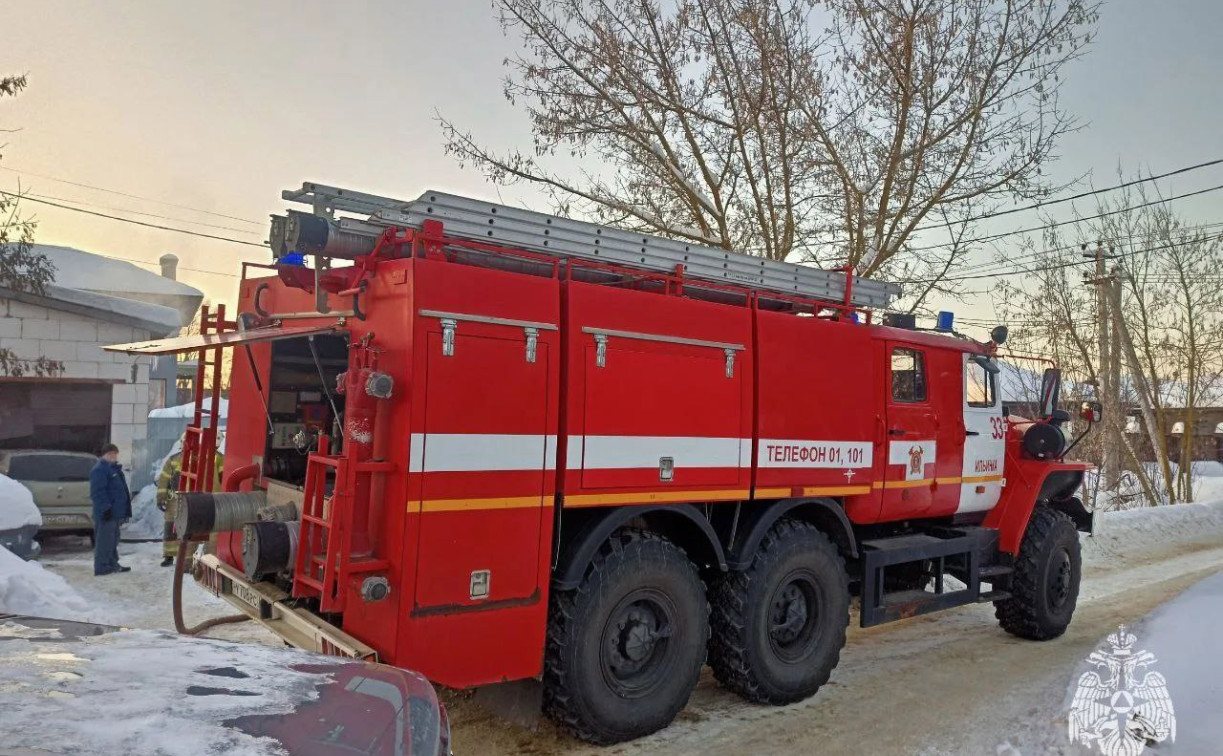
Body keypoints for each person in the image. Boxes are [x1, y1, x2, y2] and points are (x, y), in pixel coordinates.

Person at [89, 443, 132, 576]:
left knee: (113, 540)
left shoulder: (113, 469)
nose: (113, 456)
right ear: (104, 455)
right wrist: (105, 508)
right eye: (110, 454)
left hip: (115, 513)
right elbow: (97, 492)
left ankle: (112, 563)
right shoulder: (100, 470)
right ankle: (102, 566)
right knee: (104, 541)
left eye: (115, 454)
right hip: (106, 513)